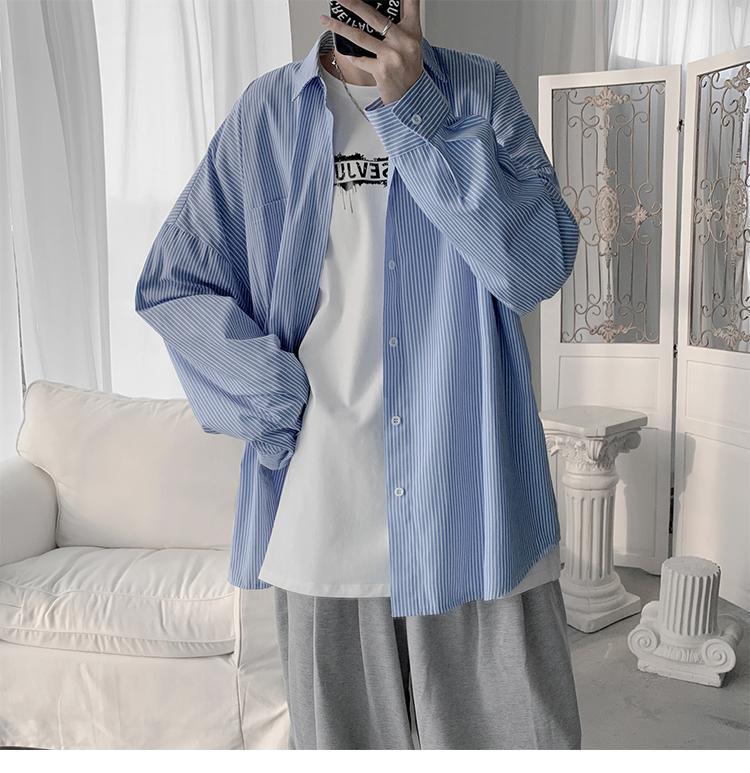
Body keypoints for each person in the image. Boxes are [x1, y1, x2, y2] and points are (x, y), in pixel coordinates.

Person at [135, 0, 582, 750]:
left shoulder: (479, 92)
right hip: (324, 515)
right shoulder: (267, 115)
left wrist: (417, 113)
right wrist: (276, 399)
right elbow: (173, 282)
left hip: (473, 505)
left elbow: (531, 269)